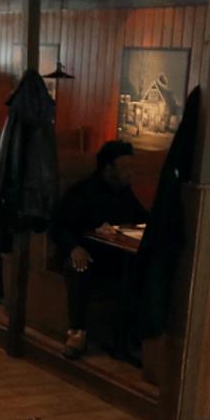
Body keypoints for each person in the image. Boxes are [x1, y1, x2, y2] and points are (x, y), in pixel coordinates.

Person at [52, 139, 147, 361]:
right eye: (124, 168)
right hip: (86, 254)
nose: (129, 173)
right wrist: (74, 247)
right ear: (108, 168)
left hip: (115, 255)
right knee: (79, 268)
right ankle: (77, 333)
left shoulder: (124, 192)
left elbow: (140, 217)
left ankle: (132, 337)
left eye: (132, 168)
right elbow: (58, 225)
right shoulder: (82, 191)